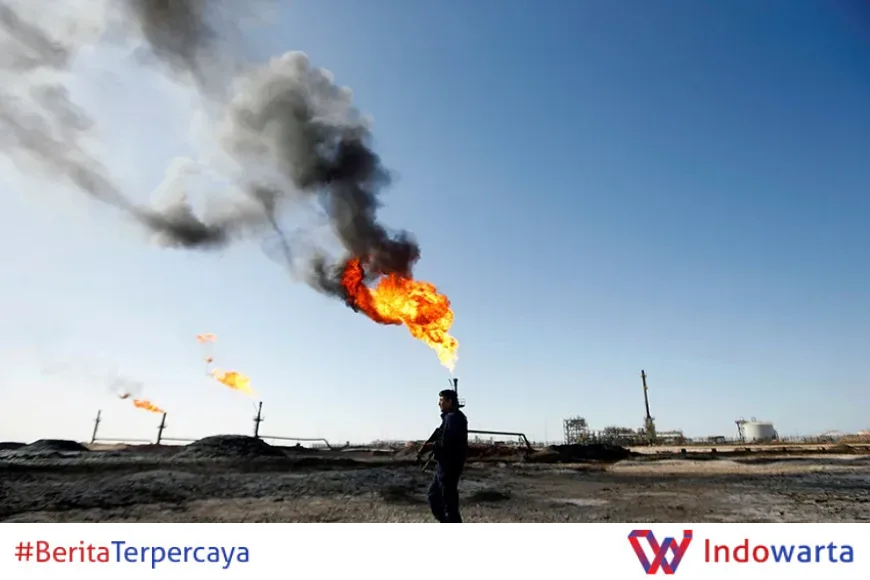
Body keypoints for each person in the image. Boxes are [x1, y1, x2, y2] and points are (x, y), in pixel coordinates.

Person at [420, 388, 468, 523]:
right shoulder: (451, 417)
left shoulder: (453, 418)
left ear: (449, 401)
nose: (439, 403)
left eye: (441, 400)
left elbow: (448, 442)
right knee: (435, 496)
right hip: (444, 466)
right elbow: (442, 438)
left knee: (448, 503)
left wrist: (429, 447)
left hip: (449, 466)